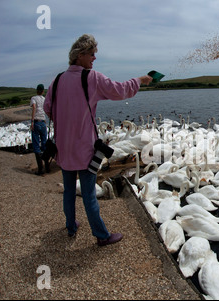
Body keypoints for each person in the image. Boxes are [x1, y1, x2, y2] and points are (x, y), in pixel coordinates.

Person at [44, 34, 152, 246]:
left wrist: (66, 120)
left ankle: (71, 226)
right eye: (92, 54)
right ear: (80, 55)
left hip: (63, 149)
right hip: (84, 149)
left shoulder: (56, 81)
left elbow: (48, 108)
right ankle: (101, 236)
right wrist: (139, 81)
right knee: (89, 193)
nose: (94, 58)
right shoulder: (91, 78)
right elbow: (119, 90)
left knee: (68, 190)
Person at [30, 84, 49, 175]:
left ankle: (40, 169)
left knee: (36, 144)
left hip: (37, 122)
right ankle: (47, 166)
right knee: (44, 143)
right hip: (43, 122)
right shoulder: (44, 99)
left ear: (37, 90)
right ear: (42, 91)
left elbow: (34, 107)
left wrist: (32, 121)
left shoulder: (34, 98)